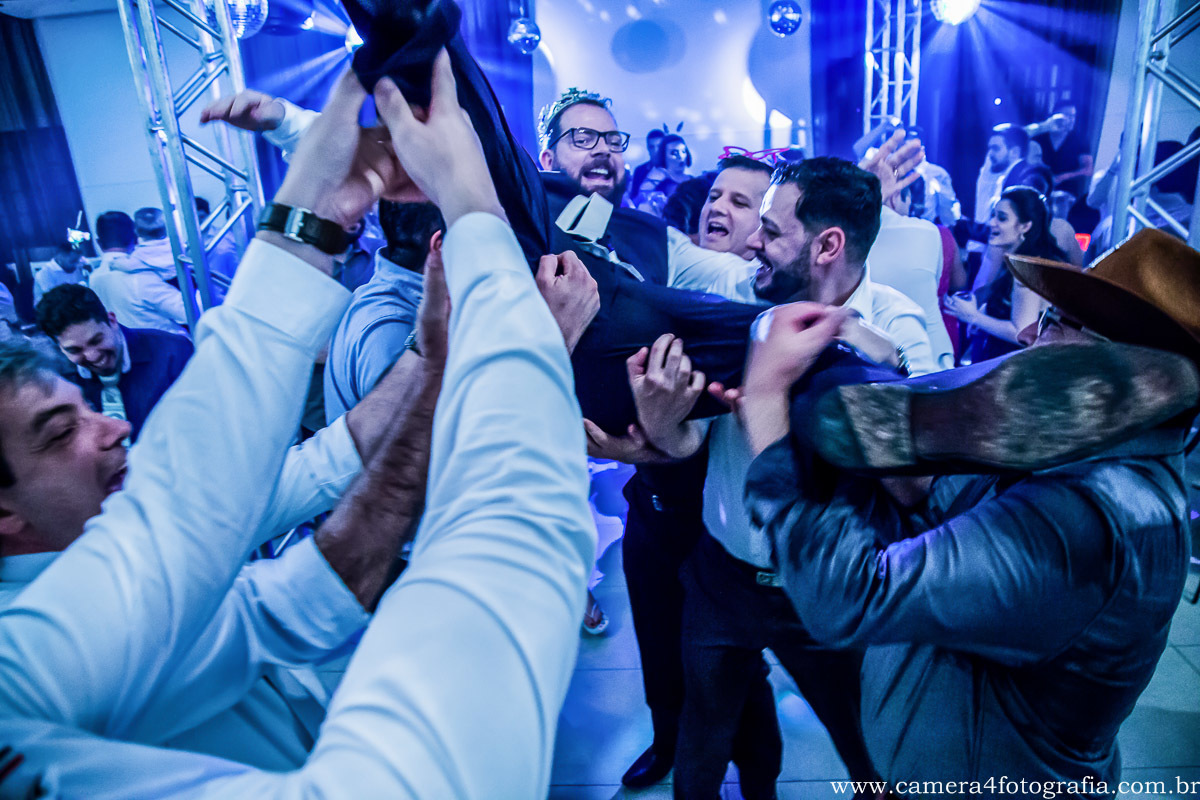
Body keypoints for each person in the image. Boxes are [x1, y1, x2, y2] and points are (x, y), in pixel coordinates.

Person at [0, 52, 595, 799]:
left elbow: (265, 596)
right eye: (59, 433)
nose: (114, 429)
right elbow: (421, 772)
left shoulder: (52, 621)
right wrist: (486, 242)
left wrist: (315, 222)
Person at [736, 226, 1200, 790]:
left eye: (1057, 322)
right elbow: (933, 501)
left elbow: (851, 597)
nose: (1032, 333)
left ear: (1130, 373)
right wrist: (887, 371)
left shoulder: (1095, 516)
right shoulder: (1064, 443)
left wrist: (764, 405)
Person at [630, 157, 934, 800]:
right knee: (702, 747)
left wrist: (864, 356)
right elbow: (694, 441)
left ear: (828, 245)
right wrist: (659, 431)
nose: (751, 244)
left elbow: (917, 491)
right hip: (724, 578)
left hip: (832, 588)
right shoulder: (734, 298)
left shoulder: (899, 325)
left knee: (871, 754)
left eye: (769, 231)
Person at [35, 284, 194, 442]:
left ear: (112, 321)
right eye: (75, 350)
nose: (92, 356)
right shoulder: (56, 377)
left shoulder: (173, 353)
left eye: (97, 340)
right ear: (59, 347)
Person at [944, 186, 1065, 362]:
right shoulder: (1019, 260)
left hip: (1014, 372)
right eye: (993, 216)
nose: (991, 223)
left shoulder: (1027, 268)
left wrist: (974, 317)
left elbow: (1022, 333)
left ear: (1025, 226)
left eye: (1002, 218)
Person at [868, 179, 955, 370]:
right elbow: (937, 286)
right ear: (896, 196)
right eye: (908, 201)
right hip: (933, 353)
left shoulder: (848, 233)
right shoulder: (929, 231)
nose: (909, 208)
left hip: (872, 355)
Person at [88, 210, 190, 336]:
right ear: (135, 238)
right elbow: (188, 311)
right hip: (168, 347)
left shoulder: (94, 278)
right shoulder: (140, 277)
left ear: (98, 242)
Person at [1028, 101, 1094, 199]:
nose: (1071, 120)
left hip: (1066, 196)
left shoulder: (1079, 140)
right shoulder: (1039, 138)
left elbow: (1088, 170)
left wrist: (1062, 177)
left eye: (1073, 116)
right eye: (1066, 115)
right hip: (1038, 192)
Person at [635, 133, 692, 213]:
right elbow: (639, 202)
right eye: (674, 153)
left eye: (683, 151)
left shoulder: (693, 180)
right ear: (663, 155)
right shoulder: (656, 177)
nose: (680, 156)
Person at [129, 207, 180, 285]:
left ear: (136, 231)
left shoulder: (138, 254)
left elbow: (128, 266)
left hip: (170, 285)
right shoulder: (178, 246)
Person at [628, 128, 666, 205]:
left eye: (659, 146)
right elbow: (633, 199)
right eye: (652, 147)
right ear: (648, 148)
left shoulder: (672, 169)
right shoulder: (639, 171)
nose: (656, 151)